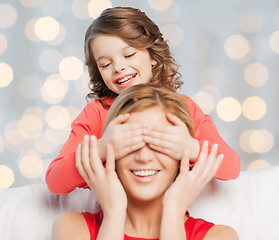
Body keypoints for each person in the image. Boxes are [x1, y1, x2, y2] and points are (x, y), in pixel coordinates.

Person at [45, 6, 240, 195]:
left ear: (153, 56)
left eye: (129, 54)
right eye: (105, 64)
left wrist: (189, 147)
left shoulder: (183, 107)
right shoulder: (95, 113)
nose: (119, 67)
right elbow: (55, 182)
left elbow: (231, 167)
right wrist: (102, 149)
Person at [51, 84, 239, 240]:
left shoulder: (219, 236)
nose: (144, 157)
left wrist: (173, 212)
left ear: (183, 155)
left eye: (159, 144)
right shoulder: (72, 228)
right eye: (131, 143)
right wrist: (113, 212)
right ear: (112, 155)